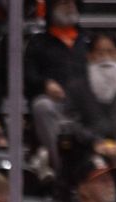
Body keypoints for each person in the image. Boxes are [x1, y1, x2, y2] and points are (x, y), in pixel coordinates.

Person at [62, 32, 116, 161]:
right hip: (87, 150)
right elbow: (71, 121)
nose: (106, 58)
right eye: (100, 52)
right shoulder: (76, 88)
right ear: (90, 56)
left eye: (111, 52)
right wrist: (95, 142)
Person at [25, 0, 89, 171]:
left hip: (84, 107)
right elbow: (27, 77)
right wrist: (45, 85)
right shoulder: (39, 42)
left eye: (72, 2)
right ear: (52, 8)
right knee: (41, 106)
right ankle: (62, 166)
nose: (69, 6)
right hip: (56, 105)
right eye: (63, 3)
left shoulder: (87, 42)